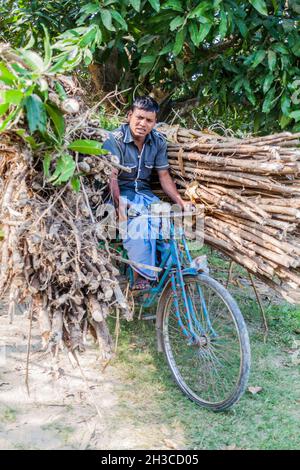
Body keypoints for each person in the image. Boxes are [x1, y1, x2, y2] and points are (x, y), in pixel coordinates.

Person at [102, 96, 191, 290]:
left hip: (144, 194)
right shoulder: (114, 140)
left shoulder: (157, 141)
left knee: (167, 216)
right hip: (120, 193)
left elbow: (164, 175)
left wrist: (180, 201)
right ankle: (141, 274)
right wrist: (119, 204)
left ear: (154, 123)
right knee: (139, 222)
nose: (143, 124)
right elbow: (112, 177)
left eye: (148, 120)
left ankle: (168, 269)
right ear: (129, 116)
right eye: (139, 118)